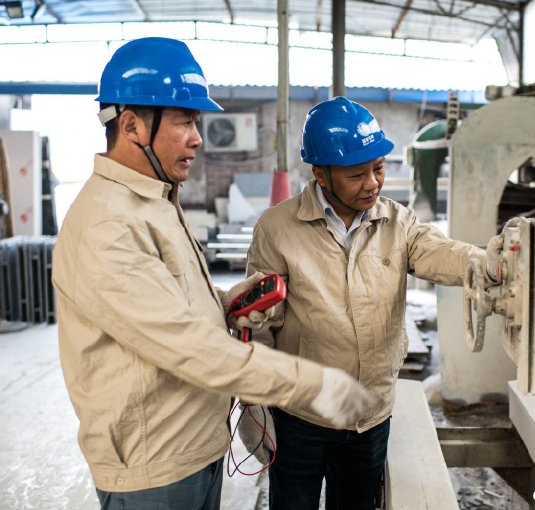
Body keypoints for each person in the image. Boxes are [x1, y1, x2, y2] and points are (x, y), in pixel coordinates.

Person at [52, 38, 377, 510]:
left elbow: (161, 307)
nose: (198, 137)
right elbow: (187, 346)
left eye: (196, 122)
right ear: (131, 125)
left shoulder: (154, 201)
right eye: (184, 121)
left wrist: (224, 304)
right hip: (154, 468)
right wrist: (313, 384)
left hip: (192, 447)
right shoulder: (107, 224)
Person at [240, 96, 504, 510]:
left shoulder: (398, 222)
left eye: (378, 168)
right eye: (356, 174)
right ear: (321, 174)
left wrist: (487, 263)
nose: (372, 183)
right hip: (301, 417)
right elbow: (259, 322)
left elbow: (439, 252)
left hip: (370, 414)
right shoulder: (278, 228)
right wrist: (255, 399)